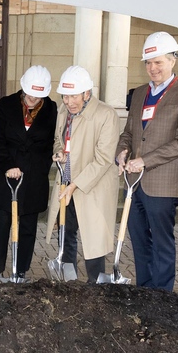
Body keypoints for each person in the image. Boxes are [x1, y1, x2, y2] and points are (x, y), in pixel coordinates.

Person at [115, 31, 178, 291]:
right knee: (139, 241)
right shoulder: (140, 93)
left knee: (162, 243)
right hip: (134, 183)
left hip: (163, 183)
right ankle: (144, 291)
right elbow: (129, 132)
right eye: (148, 62)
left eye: (158, 62)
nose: (152, 68)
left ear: (173, 61)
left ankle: (162, 297)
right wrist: (122, 150)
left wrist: (144, 160)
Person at [45, 66, 119, 283]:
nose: (68, 102)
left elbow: (103, 159)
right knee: (66, 232)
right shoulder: (63, 111)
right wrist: (58, 152)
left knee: (93, 239)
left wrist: (75, 184)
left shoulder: (106, 115)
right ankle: (69, 284)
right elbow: (59, 140)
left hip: (92, 187)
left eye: (73, 96)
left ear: (87, 93)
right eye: (65, 96)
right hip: (65, 182)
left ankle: (96, 286)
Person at [0, 66, 57, 283]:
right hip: (6, 175)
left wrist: (41, 167)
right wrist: (8, 165)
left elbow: (50, 142)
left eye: (38, 95)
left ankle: (21, 271)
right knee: (2, 224)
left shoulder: (52, 109)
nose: (32, 99)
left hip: (34, 177)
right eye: (29, 93)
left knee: (28, 226)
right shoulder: (6, 104)